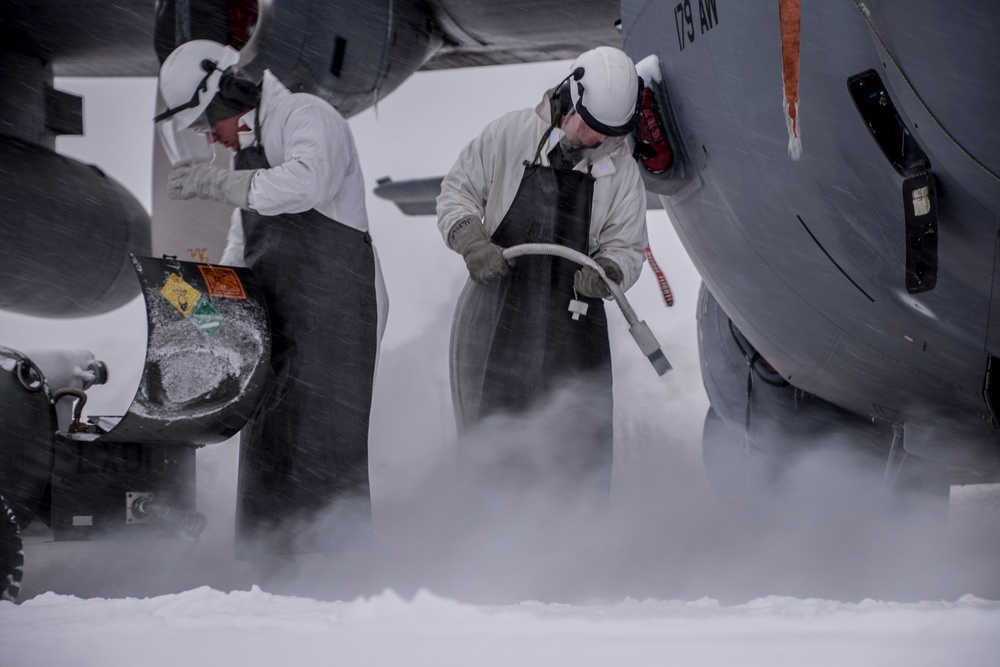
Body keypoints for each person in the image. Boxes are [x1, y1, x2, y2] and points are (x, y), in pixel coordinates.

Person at [154, 40, 387, 571]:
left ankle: (333, 577)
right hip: (280, 332)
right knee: (269, 451)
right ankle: (267, 573)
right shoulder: (248, 161)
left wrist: (217, 183)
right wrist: (204, 304)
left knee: (323, 450)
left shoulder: (307, 116)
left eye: (206, 124)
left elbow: (307, 182)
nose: (210, 137)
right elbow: (240, 252)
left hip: (333, 326)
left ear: (227, 94)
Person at [437, 46, 649, 500]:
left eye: (608, 134)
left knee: (577, 455)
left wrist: (609, 270)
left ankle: (573, 558)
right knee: (492, 451)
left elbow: (627, 246)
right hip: (496, 310)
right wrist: (471, 240)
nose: (595, 139)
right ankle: (483, 553)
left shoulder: (622, 172)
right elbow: (457, 192)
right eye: (589, 125)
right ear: (567, 99)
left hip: (574, 326)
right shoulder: (509, 134)